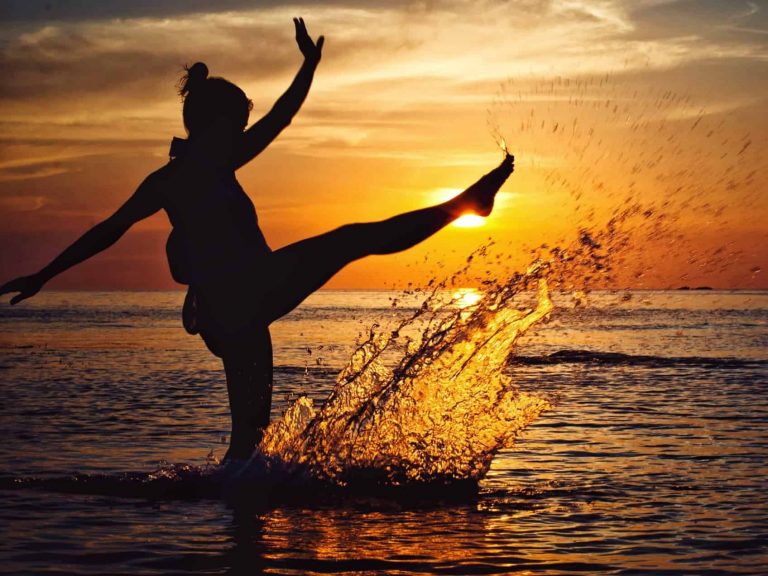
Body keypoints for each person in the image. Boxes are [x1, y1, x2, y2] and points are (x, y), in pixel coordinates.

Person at [0, 18, 515, 464]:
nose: (245, 132)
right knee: (350, 239)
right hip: (240, 295)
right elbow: (109, 230)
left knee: (251, 438)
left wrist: (308, 65)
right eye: (239, 124)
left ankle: (241, 514)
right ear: (214, 124)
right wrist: (44, 275)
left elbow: (280, 118)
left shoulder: (198, 169)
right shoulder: (189, 173)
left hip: (235, 307)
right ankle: (466, 205)